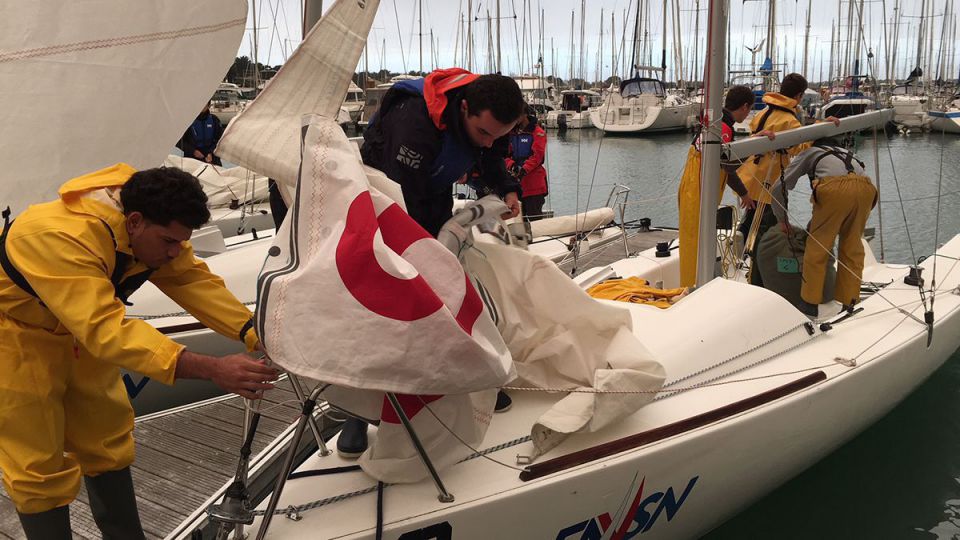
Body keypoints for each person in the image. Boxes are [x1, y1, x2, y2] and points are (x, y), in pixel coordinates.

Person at [0, 164, 278, 539]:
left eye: (181, 242)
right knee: (36, 465)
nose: (175, 251)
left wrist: (252, 332)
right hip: (16, 339)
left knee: (107, 439)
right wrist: (213, 367)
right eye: (169, 242)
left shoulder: (150, 221)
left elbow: (187, 278)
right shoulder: (56, 237)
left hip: (77, 337)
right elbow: (106, 329)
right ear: (134, 222)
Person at [349, 68, 525, 458]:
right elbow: (399, 197)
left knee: (448, 289)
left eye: (499, 134)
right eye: (484, 133)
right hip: (385, 201)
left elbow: (491, 155)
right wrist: (419, 255)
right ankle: (356, 412)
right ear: (464, 109)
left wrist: (507, 188)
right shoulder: (413, 122)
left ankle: (468, 383)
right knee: (392, 302)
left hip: (433, 195)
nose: (491, 140)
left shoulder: (490, 118)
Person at [736, 73, 838, 285]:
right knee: (769, 233)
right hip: (767, 184)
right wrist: (821, 129)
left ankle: (746, 263)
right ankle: (759, 282)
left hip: (750, 178)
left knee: (752, 225)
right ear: (799, 95)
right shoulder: (788, 120)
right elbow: (799, 147)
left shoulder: (765, 111)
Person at [767, 138, 877, 316]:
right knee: (852, 247)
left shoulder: (812, 152)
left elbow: (780, 186)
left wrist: (782, 219)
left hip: (835, 189)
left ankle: (809, 305)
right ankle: (849, 302)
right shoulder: (849, 154)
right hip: (867, 189)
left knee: (817, 248)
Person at [677, 85, 770, 288]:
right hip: (698, 193)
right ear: (745, 107)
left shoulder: (717, 125)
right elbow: (727, 164)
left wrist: (743, 193)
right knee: (695, 243)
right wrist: (754, 145)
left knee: (694, 241)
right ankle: (692, 288)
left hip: (695, 189)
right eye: (749, 110)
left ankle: (693, 284)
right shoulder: (723, 129)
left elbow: (721, 169)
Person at [505, 107, 548, 221]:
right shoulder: (510, 133)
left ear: (524, 114)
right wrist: (511, 165)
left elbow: (537, 156)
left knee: (535, 221)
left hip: (534, 185)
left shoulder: (538, 133)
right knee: (517, 221)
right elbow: (504, 154)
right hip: (515, 184)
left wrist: (523, 169)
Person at [177, 101, 224, 165]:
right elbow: (178, 141)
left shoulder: (214, 120)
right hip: (192, 158)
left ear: (208, 105)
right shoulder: (187, 120)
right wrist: (193, 151)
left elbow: (220, 140)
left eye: (204, 103)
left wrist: (211, 153)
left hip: (211, 158)